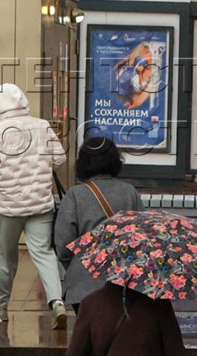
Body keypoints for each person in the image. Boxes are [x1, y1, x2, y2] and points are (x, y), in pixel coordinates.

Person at [0, 83, 67, 319]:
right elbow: (59, 158)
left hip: (7, 206)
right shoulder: (43, 126)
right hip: (41, 203)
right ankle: (57, 302)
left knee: (6, 256)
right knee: (44, 252)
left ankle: (1, 307)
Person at [53, 136, 143, 332]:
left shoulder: (75, 194)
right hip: (122, 283)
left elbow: (63, 244)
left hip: (84, 285)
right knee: (118, 338)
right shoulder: (130, 193)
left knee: (89, 339)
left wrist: (76, 266)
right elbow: (140, 236)